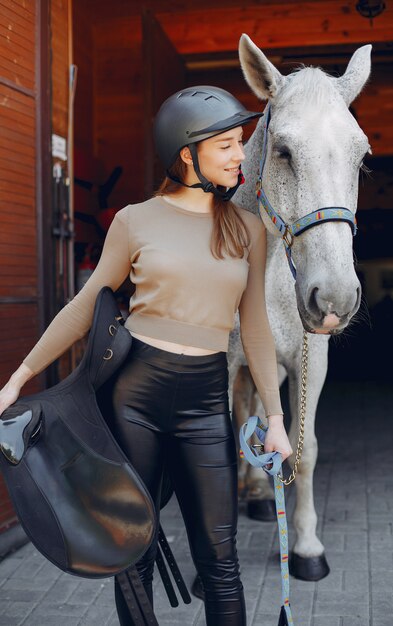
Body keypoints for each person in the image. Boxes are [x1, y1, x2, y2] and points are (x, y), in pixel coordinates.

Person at [0, 86, 292, 626]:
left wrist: (275, 419)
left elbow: (254, 328)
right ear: (188, 154)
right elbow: (85, 306)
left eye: (241, 143)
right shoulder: (135, 220)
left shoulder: (248, 229)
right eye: (226, 144)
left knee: (220, 558)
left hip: (208, 400)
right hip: (135, 397)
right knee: (132, 552)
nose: (239, 154)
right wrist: (19, 378)